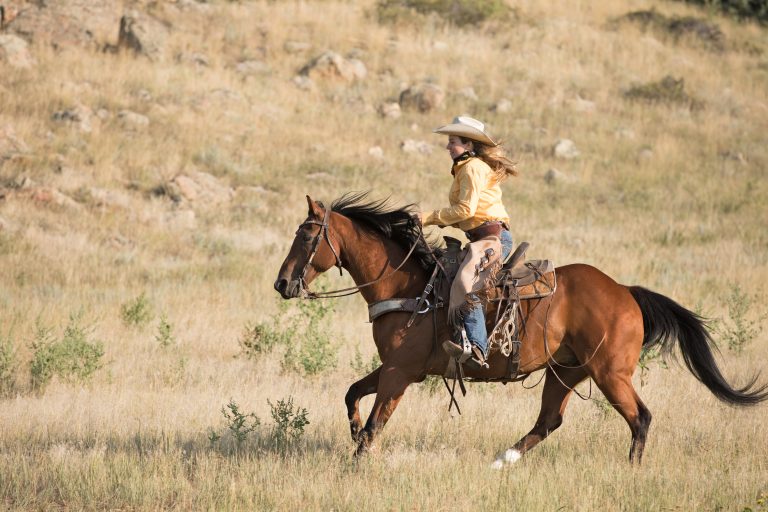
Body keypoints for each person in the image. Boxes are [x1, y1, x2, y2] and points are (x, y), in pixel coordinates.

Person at [420, 115, 517, 369]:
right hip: (481, 238)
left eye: (453, 141)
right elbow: (468, 214)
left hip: (492, 239)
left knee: (467, 283)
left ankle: (477, 349)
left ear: (469, 145)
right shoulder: (466, 168)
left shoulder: (472, 167)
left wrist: (427, 218)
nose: (448, 146)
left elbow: (465, 210)